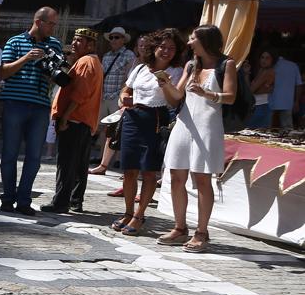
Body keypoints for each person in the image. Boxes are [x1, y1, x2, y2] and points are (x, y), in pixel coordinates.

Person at [159, 25, 232, 253]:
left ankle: (202, 232)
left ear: (205, 41)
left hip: (208, 126)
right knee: (176, 175)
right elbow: (177, 96)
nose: (189, 42)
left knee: (202, 179)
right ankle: (180, 228)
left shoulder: (226, 64)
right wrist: (165, 85)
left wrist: (207, 93)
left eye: (192, 38)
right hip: (184, 124)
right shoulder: (191, 65)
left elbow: (230, 97)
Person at [112, 28, 184, 236]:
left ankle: (139, 215)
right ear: (154, 48)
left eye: (172, 48)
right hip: (132, 118)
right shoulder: (141, 68)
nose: (166, 51)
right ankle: (127, 212)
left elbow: (174, 101)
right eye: (163, 47)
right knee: (129, 169)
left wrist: (166, 84)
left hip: (156, 119)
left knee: (149, 170)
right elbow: (126, 90)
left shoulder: (176, 72)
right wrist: (123, 101)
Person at [0, 6, 63, 215]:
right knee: (9, 154)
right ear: (39, 22)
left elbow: (58, 75)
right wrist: (26, 58)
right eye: (51, 23)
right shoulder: (15, 42)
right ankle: (8, 198)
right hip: (15, 104)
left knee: (34, 157)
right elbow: (3, 73)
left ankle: (24, 200)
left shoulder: (55, 45)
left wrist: (52, 70)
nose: (53, 28)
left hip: (41, 106)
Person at [40, 28, 103, 214]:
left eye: (79, 41)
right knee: (79, 164)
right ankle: (76, 200)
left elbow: (79, 95)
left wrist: (65, 117)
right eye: (74, 40)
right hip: (83, 121)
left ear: (90, 44)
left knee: (66, 163)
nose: (74, 44)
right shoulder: (93, 62)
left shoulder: (85, 62)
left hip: (74, 120)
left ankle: (60, 202)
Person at [90, 27, 138, 175]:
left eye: (117, 37)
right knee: (103, 127)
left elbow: (128, 77)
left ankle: (117, 159)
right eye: (112, 37)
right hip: (105, 95)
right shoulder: (106, 56)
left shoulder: (129, 55)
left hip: (117, 96)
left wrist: (122, 96)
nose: (114, 40)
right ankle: (101, 158)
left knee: (117, 129)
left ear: (123, 39)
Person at [270, 51, 301, 130]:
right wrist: (296, 101)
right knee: (288, 128)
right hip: (287, 102)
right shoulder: (293, 66)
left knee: (267, 128)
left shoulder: (272, 65)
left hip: (271, 101)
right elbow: (298, 85)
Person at [246, 49, 276, 130]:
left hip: (262, 107)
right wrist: (247, 73)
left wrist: (255, 90)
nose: (264, 60)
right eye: (262, 57)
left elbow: (251, 90)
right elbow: (250, 89)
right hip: (257, 106)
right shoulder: (261, 70)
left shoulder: (268, 72)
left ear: (272, 60)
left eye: (267, 58)